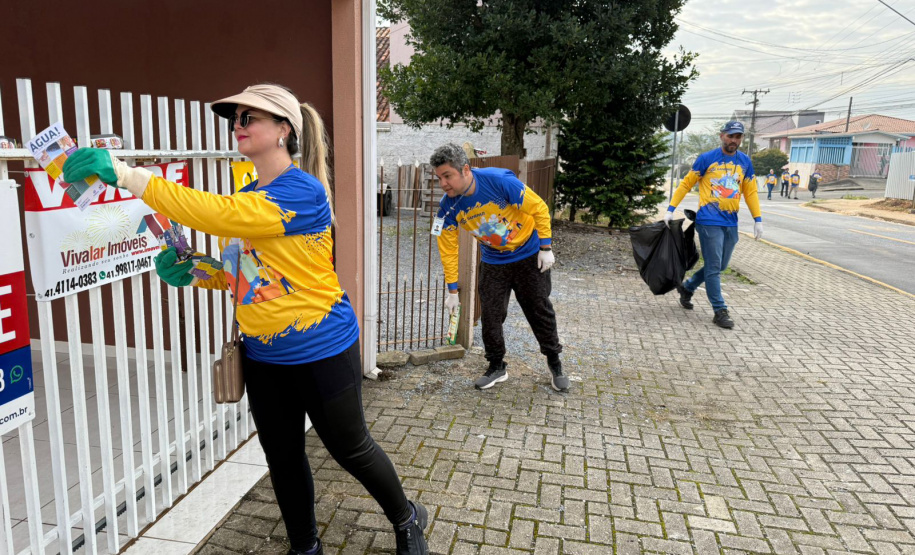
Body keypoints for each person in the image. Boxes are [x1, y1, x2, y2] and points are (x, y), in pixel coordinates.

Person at [62, 84, 429, 555]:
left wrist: (126, 174)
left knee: (350, 449)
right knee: (282, 457)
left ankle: (406, 516)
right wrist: (199, 271)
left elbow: (218, 214)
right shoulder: (249, 194)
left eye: (248, 117)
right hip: (263, 356)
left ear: (283, 131)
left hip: (323, 348)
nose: (237, 126)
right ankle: (305, 547)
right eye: (234, 119)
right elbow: (248, 276)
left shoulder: (302, 190)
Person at [429, 143, 569, 392]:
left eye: (447, 176)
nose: (443, 184)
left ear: (465, 170)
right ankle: (496, 366)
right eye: (439, 178)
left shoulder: (498, 181)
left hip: (529, 255)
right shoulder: (447, 208)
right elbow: (448, 250)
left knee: (539, 311)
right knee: (491, 316)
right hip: (494, 262)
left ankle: (554, 363)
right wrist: (452, 290)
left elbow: (538, 207)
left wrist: (546, 248)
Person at [663, 121, 763, 329]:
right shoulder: (707, 159)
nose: (734, 141)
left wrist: (757, 219)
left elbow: (750, 192)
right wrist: (671, 209)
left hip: (731, 222)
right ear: (722, 136)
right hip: (709, 221)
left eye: (738, 137)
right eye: (731, 136)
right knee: (715, 268)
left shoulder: (744, 161)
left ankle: (688, 288)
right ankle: (720, 310)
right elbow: (686, 183)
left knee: (720, 265)